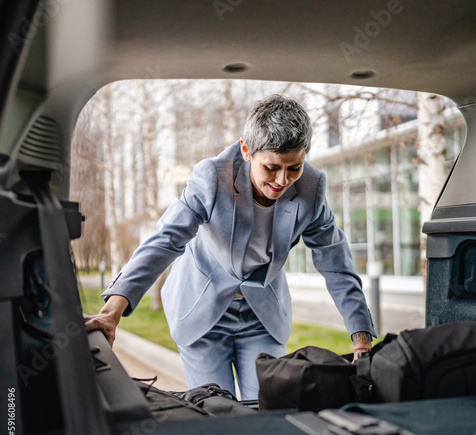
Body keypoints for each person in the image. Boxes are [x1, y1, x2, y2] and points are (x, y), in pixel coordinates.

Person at [84, 94, 375, 400]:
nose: (282, 180)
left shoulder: (312, 188)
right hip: (202, 310)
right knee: (216, 410)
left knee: (268, 408)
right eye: (272, 167)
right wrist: (112, 311)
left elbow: (335, 262)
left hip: (262, 315)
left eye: (294, 168)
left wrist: (361, 338)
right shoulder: (212, 177)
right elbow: (167, 239)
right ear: (246, 150)